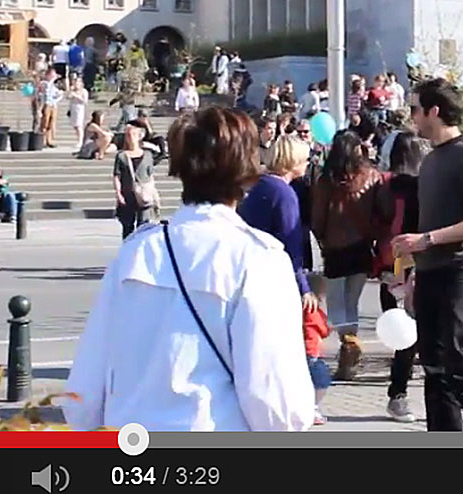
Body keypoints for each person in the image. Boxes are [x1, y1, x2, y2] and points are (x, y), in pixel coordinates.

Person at [63, 107, 315, 431]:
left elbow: (84, 390)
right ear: (247, 168)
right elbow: (275, 404)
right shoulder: (258, 259)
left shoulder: (137, 250)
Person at [390, 78, 463, 432]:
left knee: (461, 362)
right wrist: (417, 266)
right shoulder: (431, 160)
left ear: (434, 111)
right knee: (434, 367)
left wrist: (429, 240)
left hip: (461, 270)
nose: (412, 117)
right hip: (432, 271)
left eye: (416, 109)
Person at [312, 129, 385, 382]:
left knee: (335, 306)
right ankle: (349, 352)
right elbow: (382, 211)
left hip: (335, 249)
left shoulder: (326, 180)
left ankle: (349, 346)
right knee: (352, 302)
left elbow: (318, 218)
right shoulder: (372, 176)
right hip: (363, 246)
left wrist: (321, 238)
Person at [374, 131, 430, 423]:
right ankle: (398, 395)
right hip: (405, 267)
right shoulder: (418, 188)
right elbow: (408, 234)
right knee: (410, 338)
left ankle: (398, 394)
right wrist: (404, 275)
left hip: (386, 265)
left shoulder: (381, 185)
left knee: (403, 338)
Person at [239, 133, 315, 302]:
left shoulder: (259, 185)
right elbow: (291, 243)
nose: (307, 163)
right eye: (305, 159)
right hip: (273, 274)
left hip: (247, 269)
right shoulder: (283, 193)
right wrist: (303, 287)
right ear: (294, 162)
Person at [113, 123, 157, 238]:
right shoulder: (121, 156)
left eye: (132, 134)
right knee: (127, 226)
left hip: (144, 194)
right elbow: (117, 175)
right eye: (127, 135)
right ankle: (127, 249)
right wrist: (119, 194)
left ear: (139, 136)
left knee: (144, 226)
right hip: (128, 194)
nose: (129, 137)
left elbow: (150, 175)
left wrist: (153, 192)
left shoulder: (147, 155)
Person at [303, 273, 332, 426]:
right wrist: (328, 327)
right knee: (321, 382)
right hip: (312, 353)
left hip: (306, 352)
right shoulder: (312, 310)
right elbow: (322, 328)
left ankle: (309, 407)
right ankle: (312, 408)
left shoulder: (302, 308)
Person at [40, 71, 63, 148]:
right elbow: (46, 91)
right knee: (45, 123)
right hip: (47, 105)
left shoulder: (54, 86)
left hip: (53, 105)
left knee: (51, 123)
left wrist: (59, 96)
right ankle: (42, 140)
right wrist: (52, 80)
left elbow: (57, 95)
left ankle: (48, 140)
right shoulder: (44, 83)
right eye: (52, 75)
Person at [67, 73, 89, 150]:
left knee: (79, 125)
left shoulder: (84, 91)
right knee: (75, 126)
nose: (76, 84)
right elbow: (68, 97)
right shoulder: (73, 90)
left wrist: (77, 96)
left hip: (80, 108)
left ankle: (81, 141)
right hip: (73, 108)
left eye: (77, 82)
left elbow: (85, 101)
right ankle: (79, 139)